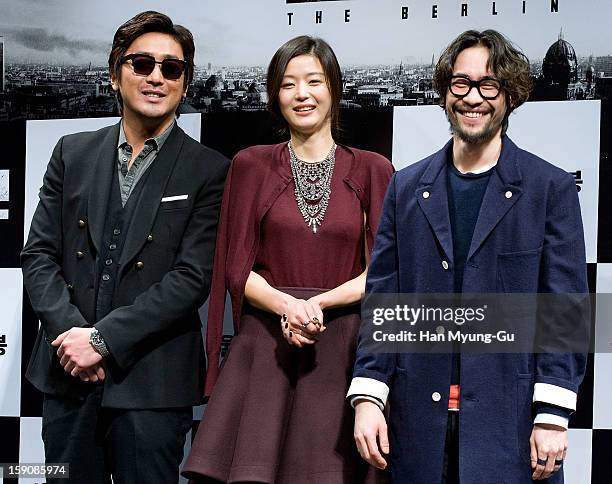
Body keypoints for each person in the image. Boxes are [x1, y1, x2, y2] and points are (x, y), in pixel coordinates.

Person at [348, 30, 588, 483]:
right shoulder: (405, 187)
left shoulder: (549, 188)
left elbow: (565, 311)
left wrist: (554, 412)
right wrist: (368, 397)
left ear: (510, 96)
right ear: (445, 92)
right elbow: (384, 302)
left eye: (488, 85)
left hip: (512, 430)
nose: (473, 97)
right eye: (461, 83)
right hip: (418, 427)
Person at [22, 11, 229, 483]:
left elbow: (192, 277)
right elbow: (38, 256)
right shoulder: (70, 152)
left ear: (184, 82)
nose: (156, 77)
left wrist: (102, 340)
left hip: (152, 385)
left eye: (171, 69)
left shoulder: (210, 169)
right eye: (142, 64)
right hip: (67, 373)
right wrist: (74, 339)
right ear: (115, 75)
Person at [182, 36, 393, 483]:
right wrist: (288, 306)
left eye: (314, 81)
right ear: (274, 96)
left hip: (344, 348)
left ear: (334, 88)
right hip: (265, 347)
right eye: (288, 84)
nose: (302, 94)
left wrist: (317, 305)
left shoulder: (374, 170)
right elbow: (236, 266)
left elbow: (383, 271)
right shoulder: (249, 165)